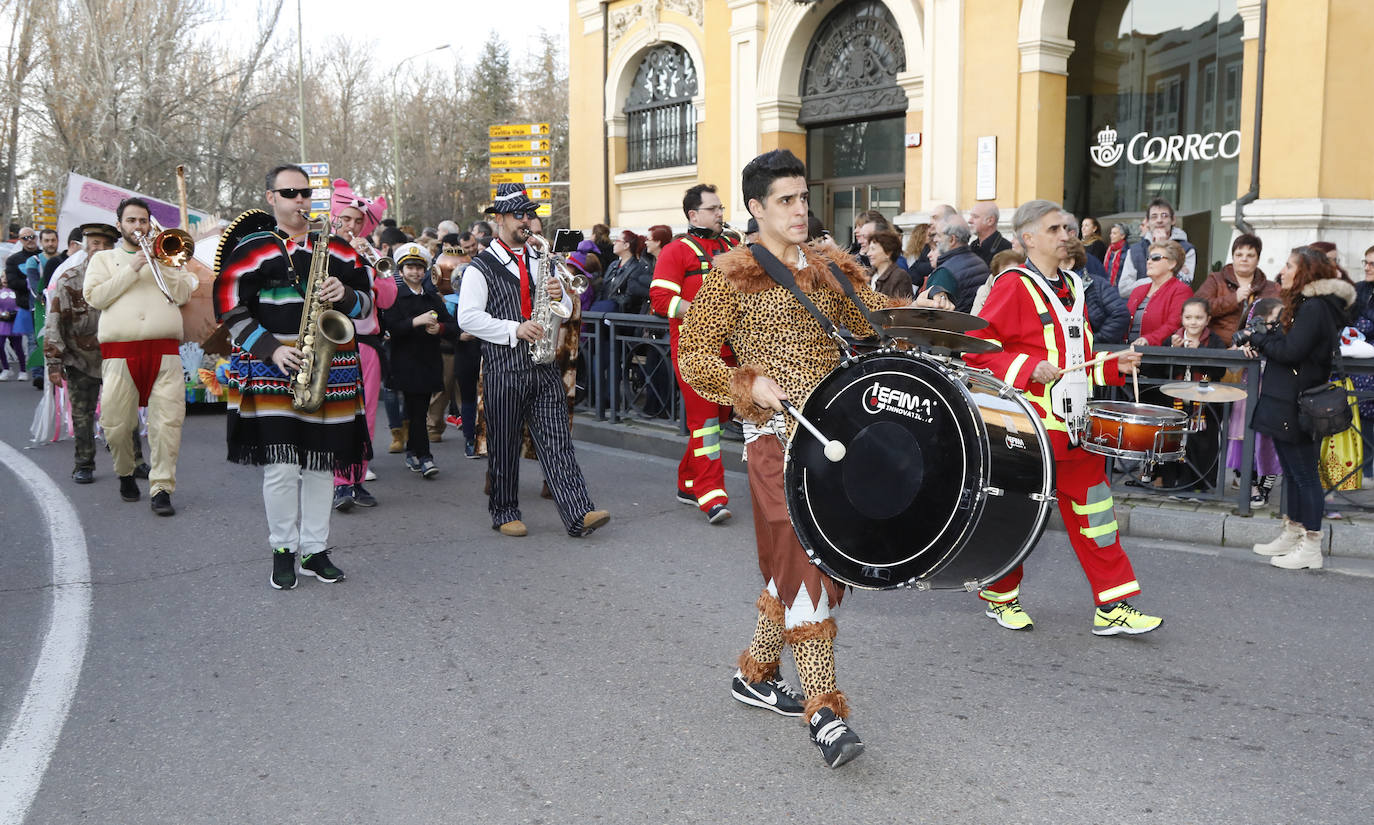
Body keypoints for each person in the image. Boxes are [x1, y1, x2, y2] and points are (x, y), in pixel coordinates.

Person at [678, 148, 895, 769]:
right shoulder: (732, 273)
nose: (801, 210)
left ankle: (754, 673)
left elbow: (872, 318)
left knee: (798, 564)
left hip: (839, 434)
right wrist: (748, 386)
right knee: (806, 562)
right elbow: (694, 357)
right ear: (755, 208)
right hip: (775, 441)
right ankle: (824, 710)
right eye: (786, 201)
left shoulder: (829, 264)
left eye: (804, 198)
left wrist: (925, 315)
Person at [963, 199, 1161, 636]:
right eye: (1054, 229)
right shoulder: (1012, 285)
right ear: (1028, 238)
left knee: (1098, 515)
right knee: (1014, 517)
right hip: (1031, 429)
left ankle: (1113, 606)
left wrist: (1112, 366)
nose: (1066, 234)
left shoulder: (1075, 284)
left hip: (1076, 429)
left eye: (1068, 227)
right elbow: (976, 349)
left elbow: (1078, 358)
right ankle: (1000, 595)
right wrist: (1024, 367)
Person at [214, 163, 375, 590]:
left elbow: (367, 305)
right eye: (289, 193)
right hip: (272, 366)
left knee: (322, 466)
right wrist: (270, 348)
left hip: (332, 368)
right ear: (271, 198)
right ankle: (283, 549)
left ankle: (315, 550)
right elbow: (229, 306)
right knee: (282, 468)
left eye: (304, 192)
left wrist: (349, 294)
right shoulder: (252, 248)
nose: (299, 200)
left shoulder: (338, 248)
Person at [456, 183, 609, 538]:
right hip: (504, 365)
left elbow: (566, 309)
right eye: (519, 215)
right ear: (499, 220)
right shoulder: (481, 266)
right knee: (504, 442)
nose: (527, 221)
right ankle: (504, 510)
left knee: (558, 440)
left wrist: (563, 297)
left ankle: (578, 512)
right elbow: (468, 318)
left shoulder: (541, 258)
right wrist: (514, 329)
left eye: (530, 214)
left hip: (543, 364)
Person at [83, 198, 196, 515]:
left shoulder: (167, 256)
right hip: (121, 353)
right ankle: (125, 471)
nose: (138, 226)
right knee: (116, 426)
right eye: (131, 221)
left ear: (150, 223)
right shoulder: (104, 259)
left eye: (143, 221)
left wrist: (165, 263)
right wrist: (134, 268)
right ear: (119, 225)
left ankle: (162, 488)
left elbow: (183, 294)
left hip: (164, 352)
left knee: (167, 425)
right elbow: (95, 297)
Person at [1247, 247, 1356, 570]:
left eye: (1289, 265)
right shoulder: (1307, 305)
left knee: (1305, 475)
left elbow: (1292, 351)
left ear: (1306, 272)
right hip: (1287, 399)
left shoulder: (1316, 308)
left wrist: (1260, 340)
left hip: (1297, 402)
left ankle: (1311, 544)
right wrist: (1268, 338)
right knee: (1293, 474)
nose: (1282, 271)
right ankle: (1292, 530)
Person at [649, 182, 738, 523]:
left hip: (730, 350)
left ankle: (687, 483)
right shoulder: (675, 251)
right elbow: (660, 301)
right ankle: (711, 495)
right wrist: (706, 312)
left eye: (721, 209)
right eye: (714, 209)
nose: (720, 214)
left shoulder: (733, 243)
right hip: (694, 351)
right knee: (705, 424)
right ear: (693, 214)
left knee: (721, 418)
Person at [43, 223, 145, 483]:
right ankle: (84, 464)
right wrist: (54, 362)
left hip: (118, 357)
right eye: (94, 243)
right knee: (82, 414)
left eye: (106, 244)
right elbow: (55, 322)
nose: (100, 248)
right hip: (81, 360)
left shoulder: (128, 276)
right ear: (86, 246)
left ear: (114, 246)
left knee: (126, 412)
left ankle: (135, 461)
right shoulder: (70, 279)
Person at [329, 179, 393, 511]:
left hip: (365, 342)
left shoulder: (371, 254)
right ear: (334, 217)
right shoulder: (319, 250)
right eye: (347, 219)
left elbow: (390, 297)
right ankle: (340, 482)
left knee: (365, 415)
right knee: (338, 414)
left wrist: (379, 267)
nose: (352, 226)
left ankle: (356, 478)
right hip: (330, 342)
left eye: (358, 221)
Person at [383, 243, 456, 479]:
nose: (415, 272)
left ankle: (413, 452)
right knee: (416, 411)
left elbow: (452, 326)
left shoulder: (433, 298)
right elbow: (391, 328)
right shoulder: (395, 296)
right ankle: (425, 457)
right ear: (402, 271)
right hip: (405, 363)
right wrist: (417, 321)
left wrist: (440, 327)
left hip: (429, 362)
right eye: (410, 267)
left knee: (418, 410)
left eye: (419, 268)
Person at [1158, 297, 1229, 491]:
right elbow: (1161, 369)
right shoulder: (1174, 338)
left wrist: (1201, 353)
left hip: (1205, 404)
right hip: (1176, 401)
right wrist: (1173, 349)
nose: (1193, 322)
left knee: (1203, 444)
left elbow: (1220, 371)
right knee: (1174, 442)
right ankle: (1174, 483)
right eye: (1188, 317)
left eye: (1199, 317)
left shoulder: (1214, 341)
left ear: (1207, 319)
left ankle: (1203, 484)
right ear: (1182, 318)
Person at [1196, 234, 1279, 345]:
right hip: (1218, 348)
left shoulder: (1272, 288)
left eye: (1250, 255)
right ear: (1233, 257)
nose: (1244, 259)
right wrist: (1234, 299)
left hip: (1257, 349)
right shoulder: (1216, 279)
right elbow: (1198, 308)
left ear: (1258, 259)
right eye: (1239, 255)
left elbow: (1280, 321)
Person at [1117, 197, 1196, 296]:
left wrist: (1163, 247)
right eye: (1154, 217)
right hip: (1141, 308)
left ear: (1173, 220)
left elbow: (1184, 283)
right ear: (1147, 222)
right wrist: (1165, 277)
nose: (1159, 220)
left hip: (1172, 305)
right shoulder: (1135, 250)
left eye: (1164, 216)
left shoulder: (1187, 249)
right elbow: (1124, 289)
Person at [1127, 240, 1193, 347]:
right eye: (1148, 258)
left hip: (1157, 355)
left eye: (1156, 258)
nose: (1149, 262)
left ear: (1172, 264)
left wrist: (1148, 340)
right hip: (1128, 352)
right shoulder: (1137, 290)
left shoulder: (1181, 290)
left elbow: (1174, 325)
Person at [922, 213, 990, 313]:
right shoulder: (980, 262)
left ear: (952, 240)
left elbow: (931, 315)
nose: (935, 239)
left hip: (955, 327)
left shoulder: (945, 272)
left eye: (939, 235)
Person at [1067, 236, 1127, 345]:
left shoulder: (1097, 285)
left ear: (1069, 263)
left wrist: (1095, 339)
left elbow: (1120, 314)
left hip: (1097, 353)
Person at [603, 230, 653, 314]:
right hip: (605, 311)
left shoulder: (636, 267)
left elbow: (629, 298)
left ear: (626, 245)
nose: (614, 243)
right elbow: (603, 288)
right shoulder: (613, 265)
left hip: (621, 315)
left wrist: (611, 301)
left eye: (617, 241)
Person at [865, 228, 913, 301]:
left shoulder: (900, 276)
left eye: (873, 249)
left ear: (888, 253)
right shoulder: (867, 275)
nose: (868, 254)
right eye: (869, 250)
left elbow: (901, 309)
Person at [968, 202, 1013, 266]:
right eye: (971, 216)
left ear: (990, 221)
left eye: (975, 217)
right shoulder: (972, 246)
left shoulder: (1006, 249)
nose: (969, 221)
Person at [1102, 223, 1129, 287]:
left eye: (1114, 233)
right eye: (1111, 233)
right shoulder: (1109, 250)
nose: (1111, 235)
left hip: (1120, 289)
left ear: (1122, 236)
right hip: (1107, 287)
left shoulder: (1127, 252)